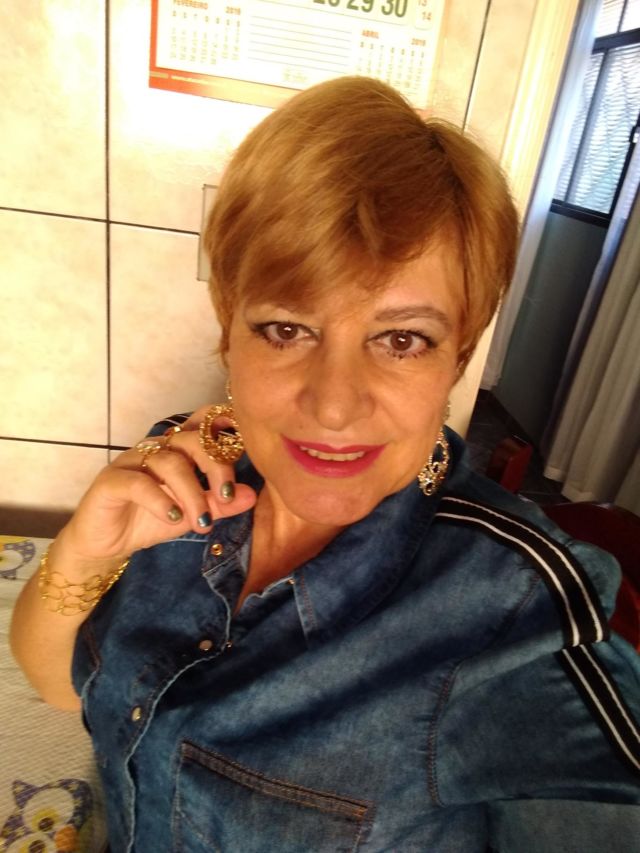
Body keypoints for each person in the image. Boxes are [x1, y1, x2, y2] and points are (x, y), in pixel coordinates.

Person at [10, 76, 640, 852]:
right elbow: (58, 684)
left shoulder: (513, 614)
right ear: (228, 332)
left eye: (402, 339)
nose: (334, 405)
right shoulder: (183, 468)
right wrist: (82, 555)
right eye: (285, 329)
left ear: (457, 358)